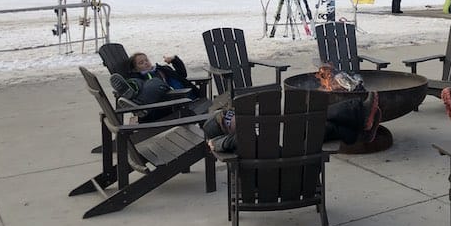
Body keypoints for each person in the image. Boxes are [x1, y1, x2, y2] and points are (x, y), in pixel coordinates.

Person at [204, 92, 382, 153]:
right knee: (313, 117)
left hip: (296, 147)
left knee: (323, 124)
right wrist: (216, 143)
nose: (232, 116)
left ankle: (362, 132)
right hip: (291, 162)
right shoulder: (241, 140)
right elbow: (241, 139)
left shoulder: (248, 129)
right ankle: (359, 111)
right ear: (225, 134)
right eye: (228, 120)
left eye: (229, 113)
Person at [111, 52, 203, 121]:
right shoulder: (138, 76)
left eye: (146, 60)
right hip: (160, 104)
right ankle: (130, 88)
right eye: (141, 63)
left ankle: (139, 105)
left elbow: (182, 74)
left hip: (176, 101)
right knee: (138, 82)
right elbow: (135, 77)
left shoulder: (163, 69)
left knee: (154, 82)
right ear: (135, 69)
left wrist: (175, 60)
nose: (146, 63)